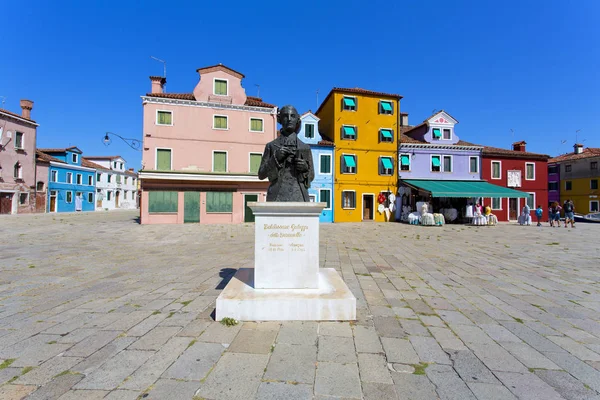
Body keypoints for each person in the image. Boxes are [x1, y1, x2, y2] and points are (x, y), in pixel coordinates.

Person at [258, 105, 314, 202]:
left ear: (297, 120)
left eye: (292, 116)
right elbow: (261, 174)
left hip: (300, 196)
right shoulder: (271, 146)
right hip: (276, 197)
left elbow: (311, 175)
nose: (289, 119)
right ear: (279, 119)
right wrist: (275, 158)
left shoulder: (305, 148)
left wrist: (305, 168)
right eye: (285, 116)